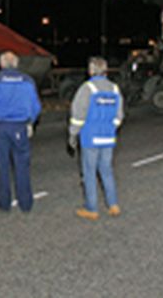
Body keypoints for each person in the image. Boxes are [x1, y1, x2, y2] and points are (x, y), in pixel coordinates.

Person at [0, 51, 42, 212]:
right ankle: (25, 203)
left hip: (0, 128)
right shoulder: (27, 81)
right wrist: (30, 122)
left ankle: (4, 203)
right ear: (17, 63)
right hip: (20, 126)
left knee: (2, 165)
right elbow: (36, 107)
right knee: (22, 165)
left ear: (1, 64)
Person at [68, 56, 124, 220]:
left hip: (90, 138)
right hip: (108, 138)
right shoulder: (114, 89)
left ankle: (91, 208)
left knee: (89, 173)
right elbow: (119, 116)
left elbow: (78, 115)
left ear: (91, 70)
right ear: (106, 70)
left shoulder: (87, 89)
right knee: (107, 170)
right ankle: (113, 204)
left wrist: (73, 135)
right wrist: (110, 128)